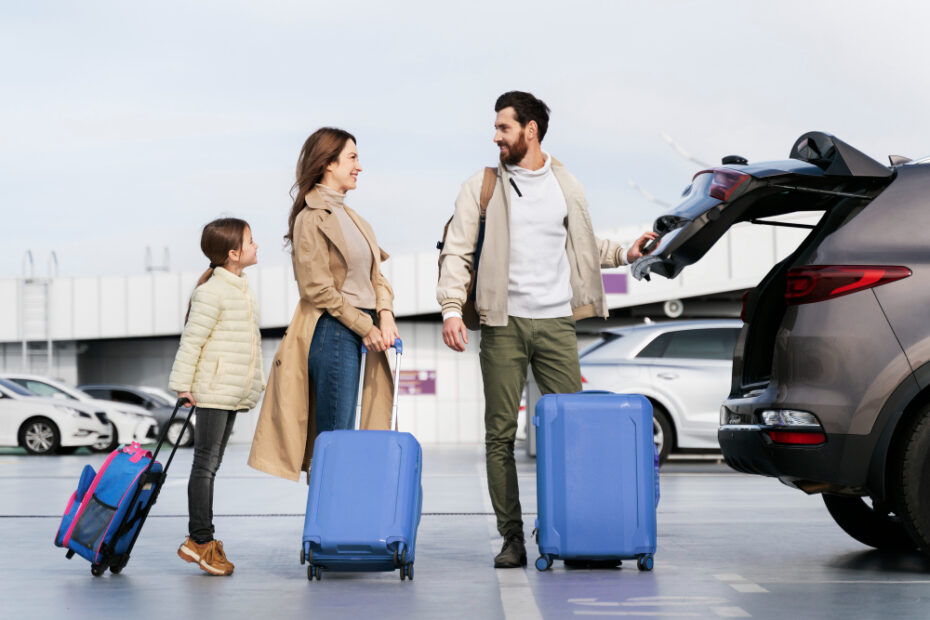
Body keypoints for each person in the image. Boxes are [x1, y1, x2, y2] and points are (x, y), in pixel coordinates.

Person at [437, 91, 658, 568]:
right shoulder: (482, 186)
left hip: (557, 322)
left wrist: (627, 253)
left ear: (530, 130)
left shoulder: (566, 183)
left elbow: (582, 243)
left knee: (572, 431)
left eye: (504, 128)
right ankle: (512, 538)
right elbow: (456, 249)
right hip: (502, 323)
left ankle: (577, 532)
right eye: (495, 129)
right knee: (500, 434)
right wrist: (452, 308)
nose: (496, 137)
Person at [248, 127, 399, 482]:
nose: (359, 166)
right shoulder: (310, 218)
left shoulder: (356, 219)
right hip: (333, 330)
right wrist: (367, 327)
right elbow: (317, 288)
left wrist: (386, 315)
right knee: (335, 440)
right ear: (329, 163)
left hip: (366, 329)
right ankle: (324, 534)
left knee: (350, 439)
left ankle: (337, 525)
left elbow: (378, 276)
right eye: (352, 158)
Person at [169, 217, 265, 576]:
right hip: (212, 392)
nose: (257, 246)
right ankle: (199, 541)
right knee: (205, 466)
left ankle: (201, 540)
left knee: (211, 466)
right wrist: (183, 386)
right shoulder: (211, 292)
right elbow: (191, 340)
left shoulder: (241, 287)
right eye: (251, 241)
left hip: (229, 392)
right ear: (233, 253)